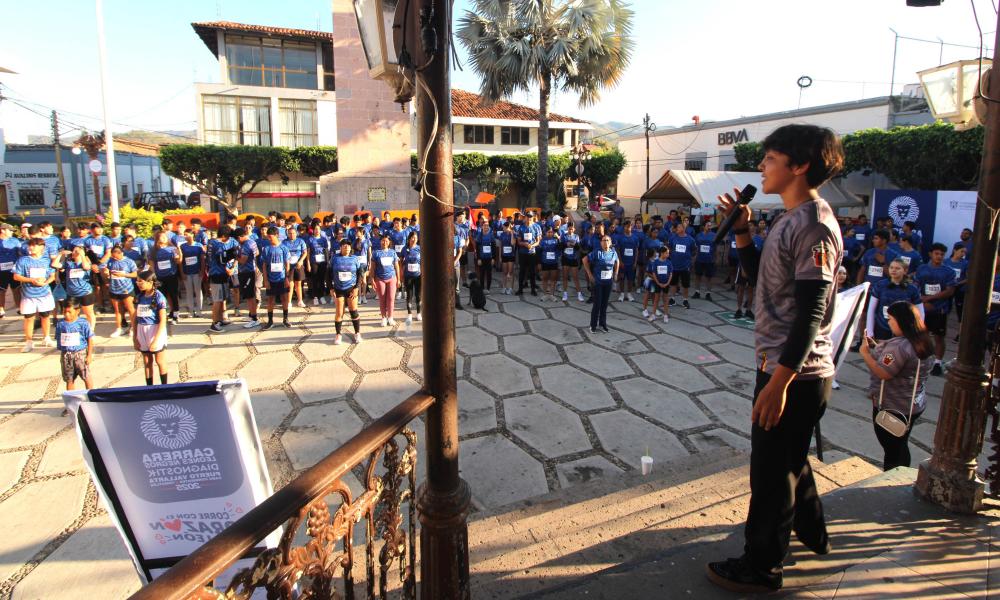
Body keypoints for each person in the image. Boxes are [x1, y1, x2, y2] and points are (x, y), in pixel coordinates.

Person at [707, 124, 844, 593]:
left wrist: (778, 383)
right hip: (782, 365)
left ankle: (762, 564)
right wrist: (743, 232)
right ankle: (813, 531)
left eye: (769, 158)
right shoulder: (789, 218)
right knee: (789, 456)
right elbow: (758, 278)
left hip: (796, 372)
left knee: (769, 472)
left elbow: (812, 311)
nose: (761, 167)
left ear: (800, 165)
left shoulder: (814, 225)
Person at [859, 301, 934, 471]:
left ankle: (893, 477)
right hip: (913, 403)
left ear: (902, 321)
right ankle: (902, 472)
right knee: (901, 444)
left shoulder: (899, 347)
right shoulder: (923, 341)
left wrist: (865, 353)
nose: (888, 322)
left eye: (891, 319)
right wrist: (878, 348)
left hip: (894, 406)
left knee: (892, 449)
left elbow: (883, 372)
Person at [914, 242, 956, 376]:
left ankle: (937, 362)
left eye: (942, 254)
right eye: (937, 254)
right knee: (921, 335)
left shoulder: (948, 271)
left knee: (939, 337)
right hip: (923, 309)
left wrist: (930, 299)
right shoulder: (921, 269)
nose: (939, 256)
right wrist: (921, 300)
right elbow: (916, 286)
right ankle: (920, 359)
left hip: (940, 309)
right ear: (930, 254)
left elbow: (950, 291)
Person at [14, 238, 57, 352]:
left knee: (46, 316)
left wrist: (45, 283)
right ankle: (29, 342)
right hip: (28, 295)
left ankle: (46, 338)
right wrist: (31, 280)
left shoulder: (46, 260)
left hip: (44, 294)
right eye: (30, 245)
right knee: (29, 318)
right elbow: (16, 276)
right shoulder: (23, 260)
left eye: (34, 245)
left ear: (41, 247)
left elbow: (52, 276)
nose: (31, 247)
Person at [866, 259, 922, 342]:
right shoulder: (880, 285)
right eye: (891, 267)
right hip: (882, 327)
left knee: (897, 353)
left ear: (905, 271)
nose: (893, 270)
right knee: (882, 353)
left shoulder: (912, 288)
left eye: (897, 268)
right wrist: (870, 331)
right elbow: (871, 310)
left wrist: (918, 331)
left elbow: (920, 311)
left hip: (903, 330)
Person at [133, 271, 169, 385]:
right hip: (141, 330)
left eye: (140, 281)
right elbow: (135, 319)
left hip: (155, 330)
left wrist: (156, 339)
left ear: (150, 282)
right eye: (137, 281)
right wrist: (135, 337)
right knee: (147, 361)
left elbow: (163, 320)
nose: (137, 283)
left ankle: (165, 386)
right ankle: (149, 387)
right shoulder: (139, 297)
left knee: (159, 360)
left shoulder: (159, 297)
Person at [56, 299, 94, 394]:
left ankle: (91, 396)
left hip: (80, 354)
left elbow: (90, 338)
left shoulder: (83, 323)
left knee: (86, 376)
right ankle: (72, 400)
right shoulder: (60, 324)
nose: (66, 314)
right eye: (65, 312)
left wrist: (89, 355)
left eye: (69, 312)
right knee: (69, 379)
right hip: (66, 355)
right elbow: (59, 338)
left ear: (77, 311)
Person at [583, 234, 619, 333]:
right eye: (603, 240)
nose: (605, 242)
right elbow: (584, 260)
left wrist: (616, 273)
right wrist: (590, 274)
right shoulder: (597, 252)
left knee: (604, 304)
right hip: (598, 282)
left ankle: (602, 324)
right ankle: (593, 325)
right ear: (601, 243)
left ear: (610, 242)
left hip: (608, 282)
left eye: (607, 240)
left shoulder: (613, 253)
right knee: (597, 304)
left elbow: (617, 261)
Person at [329, 239, 363, 345]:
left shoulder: (355, 259)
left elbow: (360, 274)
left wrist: (357, 288)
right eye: (344, 246)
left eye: (348, 246)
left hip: (351, 289)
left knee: (354, 311)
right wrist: (331, 288)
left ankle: (357, 333)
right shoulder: (335, 258)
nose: (346, 248)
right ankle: (338, 334)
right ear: (340, 247)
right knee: (339, 312)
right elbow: (328, 274)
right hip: (339, 289)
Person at [258, 226, 291, 330]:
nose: (269, 238)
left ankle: (285, 319)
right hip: (271, 279)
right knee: (270, 300)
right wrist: (266, 280)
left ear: (277, 235)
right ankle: (270, 321)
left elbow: (287, 264)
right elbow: (264, 265)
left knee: (284, 298)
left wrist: (287, 278)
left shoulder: (284, 248)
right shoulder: (266, 249)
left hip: (282, 278)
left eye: (270, 236)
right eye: (268, 236)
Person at [207, 225, 239, 332]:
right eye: (229, 237)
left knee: (222, 299)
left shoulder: (211, 242)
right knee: (217, 300)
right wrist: (229, 268)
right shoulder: (217, 244)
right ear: (224, 236)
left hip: (221, 274)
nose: (230, 239)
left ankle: (220, 320)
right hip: (217, 275)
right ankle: (214, 323)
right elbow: (222, 259)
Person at [61, 245, 97, 330]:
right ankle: (74, 328)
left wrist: (82, 255)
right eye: (74, 251)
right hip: (71, 293)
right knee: (72, 312)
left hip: (85, 292)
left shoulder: (85, 262)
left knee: (88, 313)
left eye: (77, 251)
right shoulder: (69, 263)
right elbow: (55, 265)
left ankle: (90, 331)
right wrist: (60, 254)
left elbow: (86, 267)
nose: (75, 252)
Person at [149, 231, 181, 324]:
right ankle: (164, 314)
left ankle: (176, 314)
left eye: (165, 237)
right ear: (157, 239)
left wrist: (179, 251)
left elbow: (178, 261)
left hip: (171, 275)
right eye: (161, 237)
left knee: (173, 294)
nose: (164, 238)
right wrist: (154, 277)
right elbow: (151, 264)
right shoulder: (153, 250)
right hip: (160, 277)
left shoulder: (172, 248)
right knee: (162, 296)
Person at [106, 244, 138, 338]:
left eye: (118, 253)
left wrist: (124, 275)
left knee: (130, 308)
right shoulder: (110, 261)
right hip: (114, 289)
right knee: (117, 310)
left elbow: (135, 274)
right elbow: (108, 271)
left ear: (122, 253)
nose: (115, 255)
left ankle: (133, 328)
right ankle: (119, 328)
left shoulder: (129, 261)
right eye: (113, 253)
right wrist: (107, 274)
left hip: (126, 289)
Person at [372, 235, 401, 326]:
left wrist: (398, 279)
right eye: (383, 241)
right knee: (382, 299)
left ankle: (390, 317)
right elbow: (372, 268)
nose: (384, 243)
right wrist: (372, 280)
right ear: (380, 242)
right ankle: (383, 317)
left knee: (391, 298)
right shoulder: (376, 253)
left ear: (389, 243)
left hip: (392, 278)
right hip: (380, 279)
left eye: (386, 241)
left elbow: (397, 266)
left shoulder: (392, 252)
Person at [668, 222, 696, 309]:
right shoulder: (673, 238)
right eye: (677, 227)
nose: (677, 228)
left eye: (679, 227)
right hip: (674, 265)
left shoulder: (690, 239)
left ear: (684, 228)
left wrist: (691, 262)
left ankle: (685, 300)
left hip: (685, 266)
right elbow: (669, 248)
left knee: (685, 284)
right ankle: (672, 299)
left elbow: (694, 251)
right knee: (673, 283)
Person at [642, 245, 672, 323]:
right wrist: (658, 282)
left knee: (665, 299)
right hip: (656, 283)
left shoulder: (669, 262)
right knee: (655, 299)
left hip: (665, 284)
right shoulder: (656, 262)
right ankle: (652, 314)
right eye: (666, 253)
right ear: (661, 253)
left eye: (668, 253)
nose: (668, 255)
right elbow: (653, 273)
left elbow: (671, 273)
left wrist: (667, 283)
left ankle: (665, 315)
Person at [179, 230, 205, 318]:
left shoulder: (199, 245)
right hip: (187, 272)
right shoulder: (182, 246)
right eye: (184, 235)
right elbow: (181, 261)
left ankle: (199, 310)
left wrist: (202, 270)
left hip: (197, 272)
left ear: (192, 235)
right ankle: (191, 310)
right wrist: (182, 272)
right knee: (189, 292)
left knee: (198, 291)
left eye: (186, 235)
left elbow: (202, 259)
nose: (185, 236)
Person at [282, 225, 309, 308]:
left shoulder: (300, 241)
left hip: (298, 265)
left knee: (298, 283)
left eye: (293, 233)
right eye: (290, 233)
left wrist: (301, 261)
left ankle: (300, 301)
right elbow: (282, 253)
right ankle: (289, 302)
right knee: (290, 284)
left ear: (296, 233)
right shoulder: (284, 242)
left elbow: (305, 252)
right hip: (289, 265)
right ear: (287, 234)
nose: (292, 235)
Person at [516, 212, 542, 296]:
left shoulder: (536, 227)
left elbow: (538, 241)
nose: (529, 218)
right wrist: (524, 244)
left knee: (532, 272)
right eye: (527, 216)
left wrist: (531, 245)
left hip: (532, 253)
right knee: (522, 271)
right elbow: (519, 241)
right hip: (522, 253)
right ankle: (520, 289)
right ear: (525, 217)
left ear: (533, 217)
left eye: (531, 217)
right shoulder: (521, 227)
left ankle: (533, 289)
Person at [0, 223, 22, 319]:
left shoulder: (15, 241)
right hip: (1, 270)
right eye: (10, 230)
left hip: (14, 269)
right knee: (1, 290)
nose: (12, 232)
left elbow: (20, 253)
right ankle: (1, 310)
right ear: (3, 230)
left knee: (16, 289)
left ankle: (19, 308)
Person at [614, 220, 640, 302]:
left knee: (630, 279)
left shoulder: (635, 238)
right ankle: (622, 294)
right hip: (623, 263)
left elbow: (636, 250)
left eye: (629, 226)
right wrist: (620, 261)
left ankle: (629, 294)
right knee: (621, 278)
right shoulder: (620, 237)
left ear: (631, 227)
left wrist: (635, 262)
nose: (628, 228)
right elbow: (617, 250)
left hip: (631, 263)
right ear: (623, 227)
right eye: (626, 226)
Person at [306, 222, 331, 305]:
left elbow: (326, 251)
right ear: (313, 230)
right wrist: (308, 264)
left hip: (323, 262)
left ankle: (321, 296)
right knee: (314, 279)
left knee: (321, 280)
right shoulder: (310, 239)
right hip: (314, 262)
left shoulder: (324, 239)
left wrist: (327, 262)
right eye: (315, 229)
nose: (317, 231)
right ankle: (315, 297)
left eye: (318, 229)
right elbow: (308, 253)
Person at [401, 231, 422, 324]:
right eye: (412, 237)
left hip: (418, 275)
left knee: (418, 295)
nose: (414, 239)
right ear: (409, 238)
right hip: (408, 276)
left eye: (416, 238)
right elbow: (400, 261)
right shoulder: (404, 249)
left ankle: (419, 312)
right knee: (409, 295)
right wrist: (401, 272)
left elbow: (423, 262)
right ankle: (409, 314)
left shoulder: (420, 249)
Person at [693, 221, 717, 301]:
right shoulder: (698, 235)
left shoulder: (714, 235)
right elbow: (696, 247)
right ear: (704, 226)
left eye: (710, 226)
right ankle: (697, 292)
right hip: (699, 259)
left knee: (709, 277)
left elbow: (716, 248)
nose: (709, 227)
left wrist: (715, 258)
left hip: (710, 259)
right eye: (708, 225)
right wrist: (695, 258)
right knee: (697, 276)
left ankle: (708, 293)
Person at [561, 221, 584, 302]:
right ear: (567, 229)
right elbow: (561, 246)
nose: (570, 230)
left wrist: (574, 245)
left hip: (574, 258)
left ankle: (579, 293)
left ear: (574, 229)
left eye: (572, 229)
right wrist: (566, 244)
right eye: (569, 229)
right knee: (565, 277)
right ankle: (565, 293)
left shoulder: (576, 236)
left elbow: (578, 247)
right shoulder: (563, 236)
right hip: (565, 258)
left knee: (575, 277)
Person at [538, 227, 561, 301]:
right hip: (545, 262)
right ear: (545, 233)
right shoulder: (542, 241)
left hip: (554, 262)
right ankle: (545, 294)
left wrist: (559, 238)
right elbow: (539, 252)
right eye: (548, 232)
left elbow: (560, 249)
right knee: (545, 278)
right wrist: (539, 263)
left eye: (551, 232)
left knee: (553, 279)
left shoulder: (556, 240)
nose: (550, 233)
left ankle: (551, 294)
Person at [475, 220, 495, 293]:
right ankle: (482, 288)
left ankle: (488, 289)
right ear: (482, 227)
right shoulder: (479, 235)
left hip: (489, 257)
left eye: (487, 225)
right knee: (482, 273)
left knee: (489, 273)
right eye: (484, 225)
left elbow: (493, 247)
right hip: (482, 258)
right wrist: (478, 258)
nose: (486, 227)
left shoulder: (491, 235)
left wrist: (493, 258)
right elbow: (477, 248)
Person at [498, 221, 516, 295]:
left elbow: (512, 243)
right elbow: (500, 245)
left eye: (504, 227)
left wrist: (511, 234)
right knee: (504, 272)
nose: (503, 228)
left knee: (510, 272)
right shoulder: (502, 234)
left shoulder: (513, 234)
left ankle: (510, 288)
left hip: (511, 255)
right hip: (504, 255)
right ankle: (504, 287)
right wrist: (499, 256)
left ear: (507, 227)